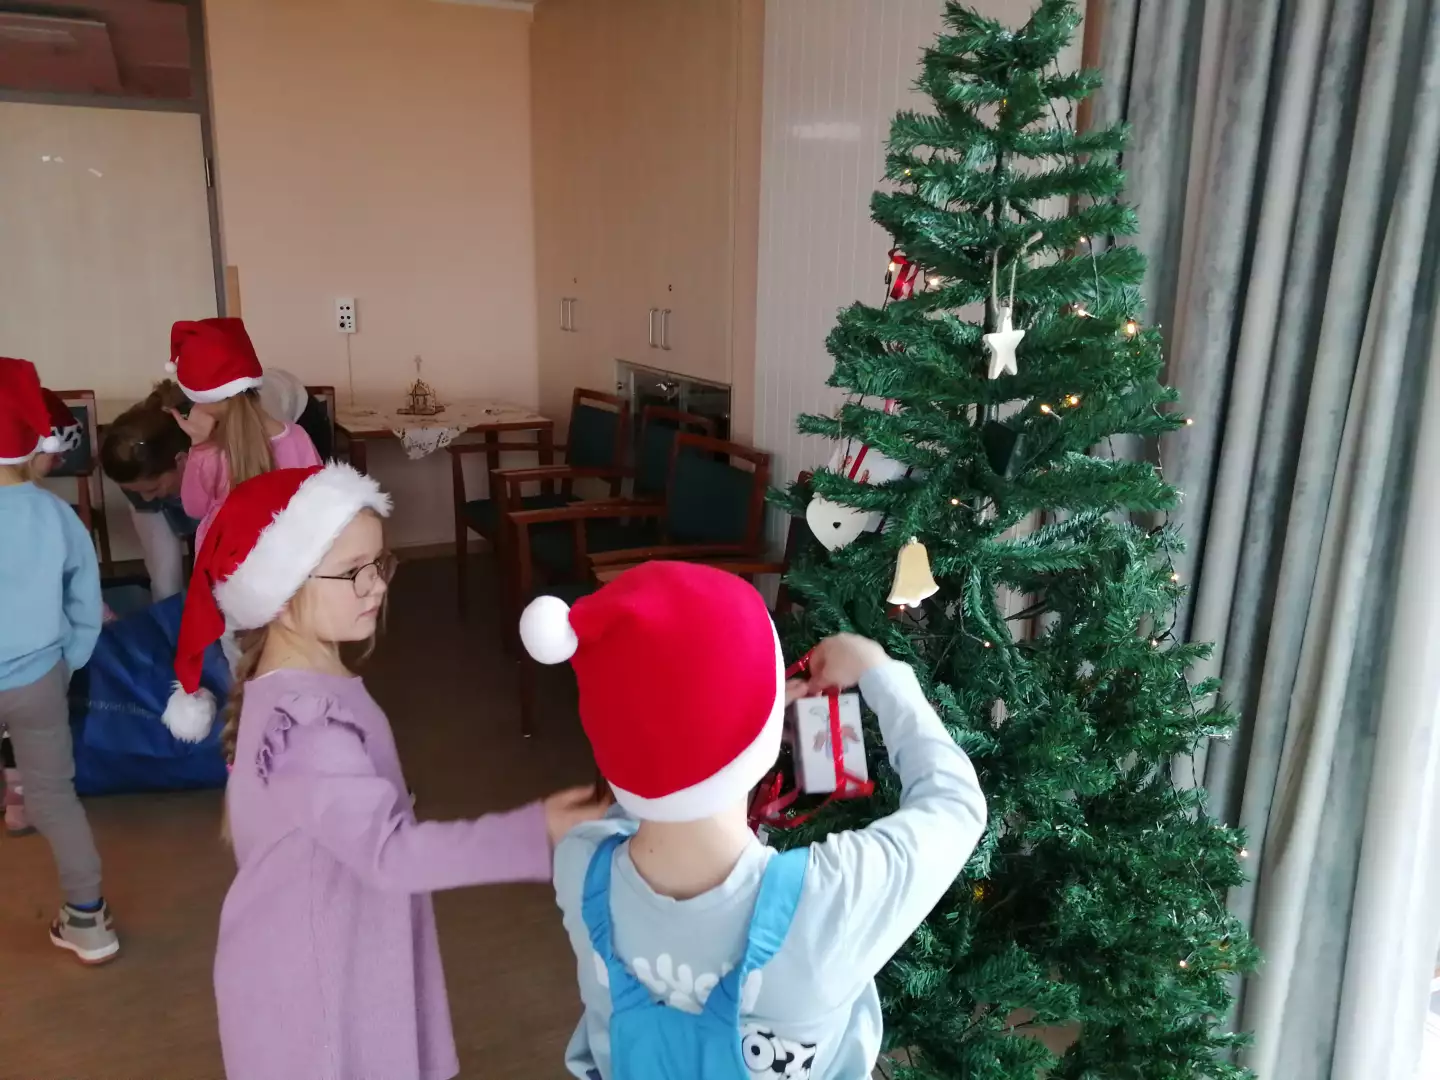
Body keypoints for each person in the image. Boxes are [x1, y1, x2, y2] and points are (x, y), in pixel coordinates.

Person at [160, 464, 610, 1080]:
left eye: (380, 564)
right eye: (354, 572)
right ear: (282, 592)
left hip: (324, 946)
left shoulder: (296, 685)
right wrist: (537, 830)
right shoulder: (310, 727)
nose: (376, 585)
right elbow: (391, 855)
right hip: (317, 986)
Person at [520, 562, 989, 1079]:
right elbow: (956, 804)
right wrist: (878, 670)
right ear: (764, 741)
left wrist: (738, 726)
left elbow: (652, 778)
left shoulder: (581, 866)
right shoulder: (828, 900)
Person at [0, 357, 114, 964]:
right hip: (40, 675)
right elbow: (85, 599)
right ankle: (89, 921)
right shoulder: (56, 515)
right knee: (54, 797)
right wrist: (70, 659)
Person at [100, 370, 334, 602]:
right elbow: (168, 553)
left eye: (152, 489)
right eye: (135, 492)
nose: (147, 499)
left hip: (293, 406)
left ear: (183, 460)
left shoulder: (264, 439)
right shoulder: (136, 454)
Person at [165, 317, 321, 549]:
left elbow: (194, 509)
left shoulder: (210, 451)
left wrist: (198, 445)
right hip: (289, 562)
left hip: (224, 565)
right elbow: (319, 504)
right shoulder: (297, 438)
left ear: (205, 400)